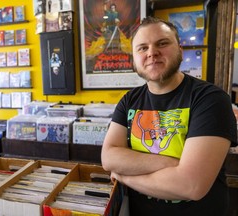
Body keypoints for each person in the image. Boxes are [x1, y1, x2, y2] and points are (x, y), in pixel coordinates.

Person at [101, 16, 237, 216]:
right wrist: (173, 163)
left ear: (180, 51)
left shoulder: (211, 100)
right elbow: (109, 157)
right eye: (142, 48)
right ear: (134, 59)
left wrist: (124, 177)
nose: (152, 53)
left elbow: (191, 186)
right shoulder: (129, 100)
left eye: (162, 43)